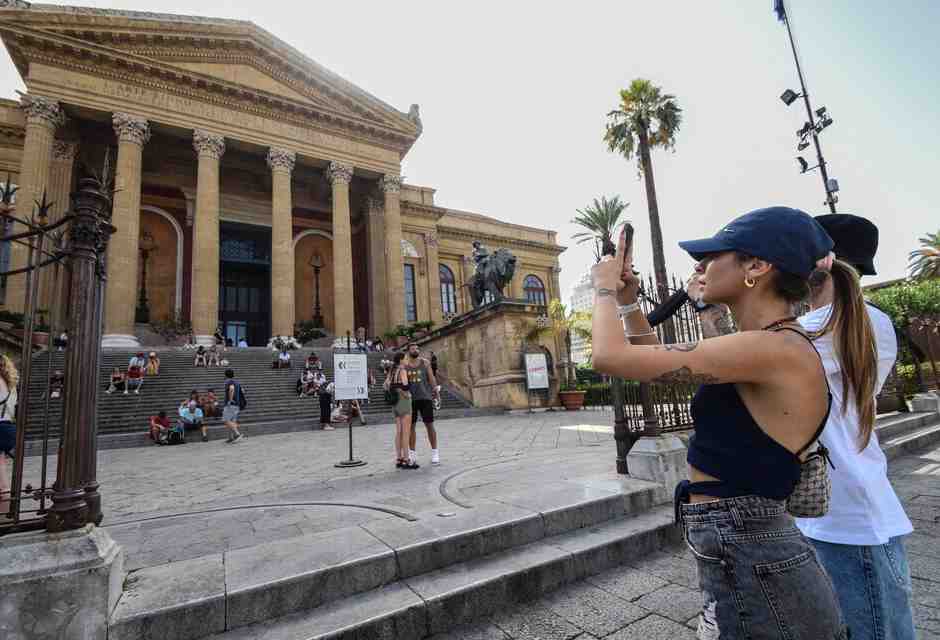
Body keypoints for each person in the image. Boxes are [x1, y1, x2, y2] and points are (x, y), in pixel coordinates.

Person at [591, 207, 867, 639]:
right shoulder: (764, 345)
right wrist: (628, 302)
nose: (699, 266)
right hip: (746, 546)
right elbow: (658, 362)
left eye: (713, 255)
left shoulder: (772, 348)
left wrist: (604, 291)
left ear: (756, 266)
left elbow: (609, 358)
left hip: (750, 550)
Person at [793, 214, 915, 640]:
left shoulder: (825, 327)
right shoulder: (871, 321)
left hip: (843, 514)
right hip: (856, 501)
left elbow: (748, 353)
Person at [403, 343, 440, 466]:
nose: (415, 350)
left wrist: (436, 392)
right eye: (413, 348)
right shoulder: (405, 365)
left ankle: (435, 452)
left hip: (425, 398)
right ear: (408, 351)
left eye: (417, 348)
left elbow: (431, 378)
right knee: (411, 427)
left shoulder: (425, 363)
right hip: (410, 400)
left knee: (429, 425)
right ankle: (412, 454)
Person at [385, 352, 416, 469]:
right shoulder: (402, 371)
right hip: (403, 401)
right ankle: (407, 459)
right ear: (401, 360)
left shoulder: (391, 371)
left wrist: (396, 388)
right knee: (406, 432)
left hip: (395, 403)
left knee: (398, 431)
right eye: (405, 358)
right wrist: (405, 393)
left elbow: (386, 385)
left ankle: (399, 458)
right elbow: (405, 386)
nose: (407, 359)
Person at [0, 355, 19, 519]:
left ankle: (4, 514)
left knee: (1, 476)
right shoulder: (10, 384)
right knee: (1, 468)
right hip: (8, 427)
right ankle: (5, 512)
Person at [222, 368, 246, 443]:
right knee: (232, 421)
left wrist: (230, 400)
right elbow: (243, 391)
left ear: (226, 375)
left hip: (231, 404)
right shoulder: (237, 382)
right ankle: (231, 437)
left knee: (226, 420)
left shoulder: (228, 381)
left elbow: (231, 389)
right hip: (237, 404)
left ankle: (237, 435)